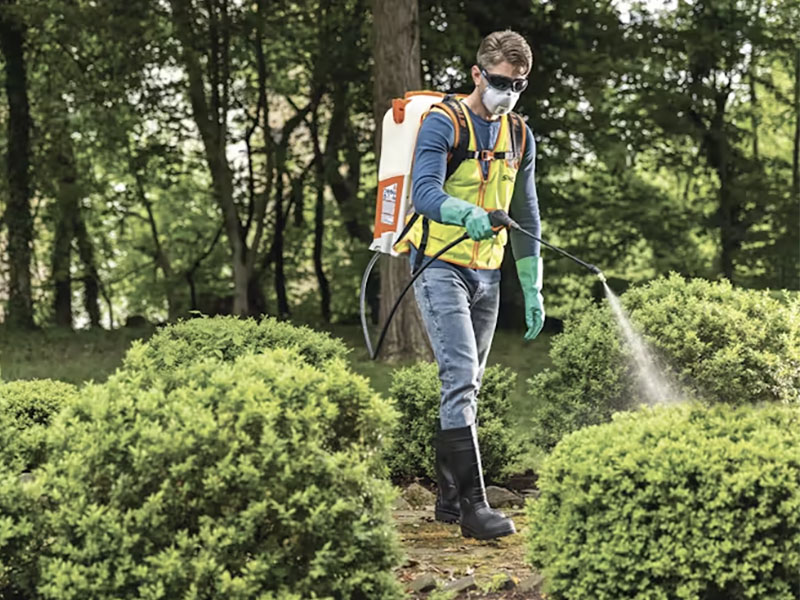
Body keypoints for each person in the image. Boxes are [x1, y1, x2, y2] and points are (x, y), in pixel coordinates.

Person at [405, 30, 543, 540]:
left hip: (488, 274)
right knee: (461, 375)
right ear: (477, 75)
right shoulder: (444, 123)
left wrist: (532, 283)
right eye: (503, 82)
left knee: (467, 384)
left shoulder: (520, 136)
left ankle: (446, 499)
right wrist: (467, 213)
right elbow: (423, 192)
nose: (509, 93)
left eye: (520, 84)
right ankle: (473, 507)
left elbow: (527, 210)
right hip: (439, 265)